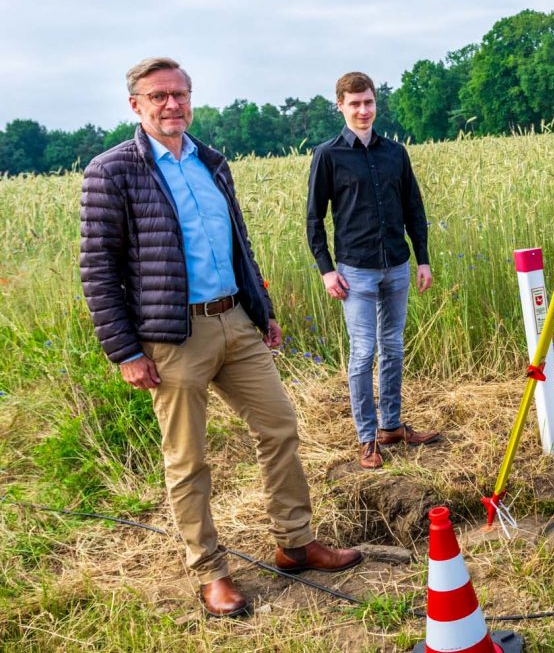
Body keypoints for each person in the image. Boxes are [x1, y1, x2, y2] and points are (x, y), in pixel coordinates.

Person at [80, 57, 361, 619]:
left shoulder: (212, 161)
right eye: (158, 96)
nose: (172, 105)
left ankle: (295, 543)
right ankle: (211, 573)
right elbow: (97, 269)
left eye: (180, 94)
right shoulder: (112, 172)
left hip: (235, 320)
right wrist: (126, 351)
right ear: (135, 105)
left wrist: (263, 311)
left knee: (279, 424)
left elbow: (239, 244)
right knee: (189, 459)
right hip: (172, 335)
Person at [306, 72, 438, 470]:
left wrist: (423, 258)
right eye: (355, 104)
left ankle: (392, 426)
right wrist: (327, 270)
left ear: (376, 103)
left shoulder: (395, 153)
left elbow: (414, 208)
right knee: (364, 353)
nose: (363, 111)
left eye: (369, 102)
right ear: (341, 106)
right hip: (355, 271)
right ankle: (367, 438)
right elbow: (314, 219)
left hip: (396, 265)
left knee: (394, 348)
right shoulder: (327, 155)